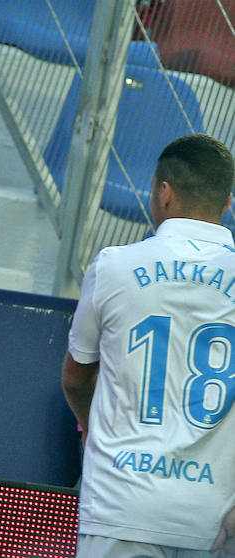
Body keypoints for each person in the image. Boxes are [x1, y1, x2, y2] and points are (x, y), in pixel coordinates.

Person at [62, 133, 235, 558]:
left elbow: (75, 379)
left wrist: (93, 427)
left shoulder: (113, 266)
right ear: (227, 202)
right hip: (214, 516)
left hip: (121, 505)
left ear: (164, 192)